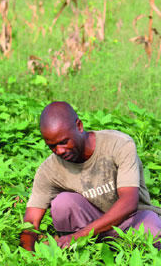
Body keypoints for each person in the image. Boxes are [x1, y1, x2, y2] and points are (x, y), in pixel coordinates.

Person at [20, 101, 161, 251]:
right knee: (63, 203)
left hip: (131, 221)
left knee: (152, 230)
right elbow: (31, 220)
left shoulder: (118, 144)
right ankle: (82, 252)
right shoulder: (49, 169)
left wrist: (80, 235)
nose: (59, 151)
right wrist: (27, 256)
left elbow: (129, 202)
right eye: (52, 146)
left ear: (79, 126)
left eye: (64, 142)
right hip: (90, 229)